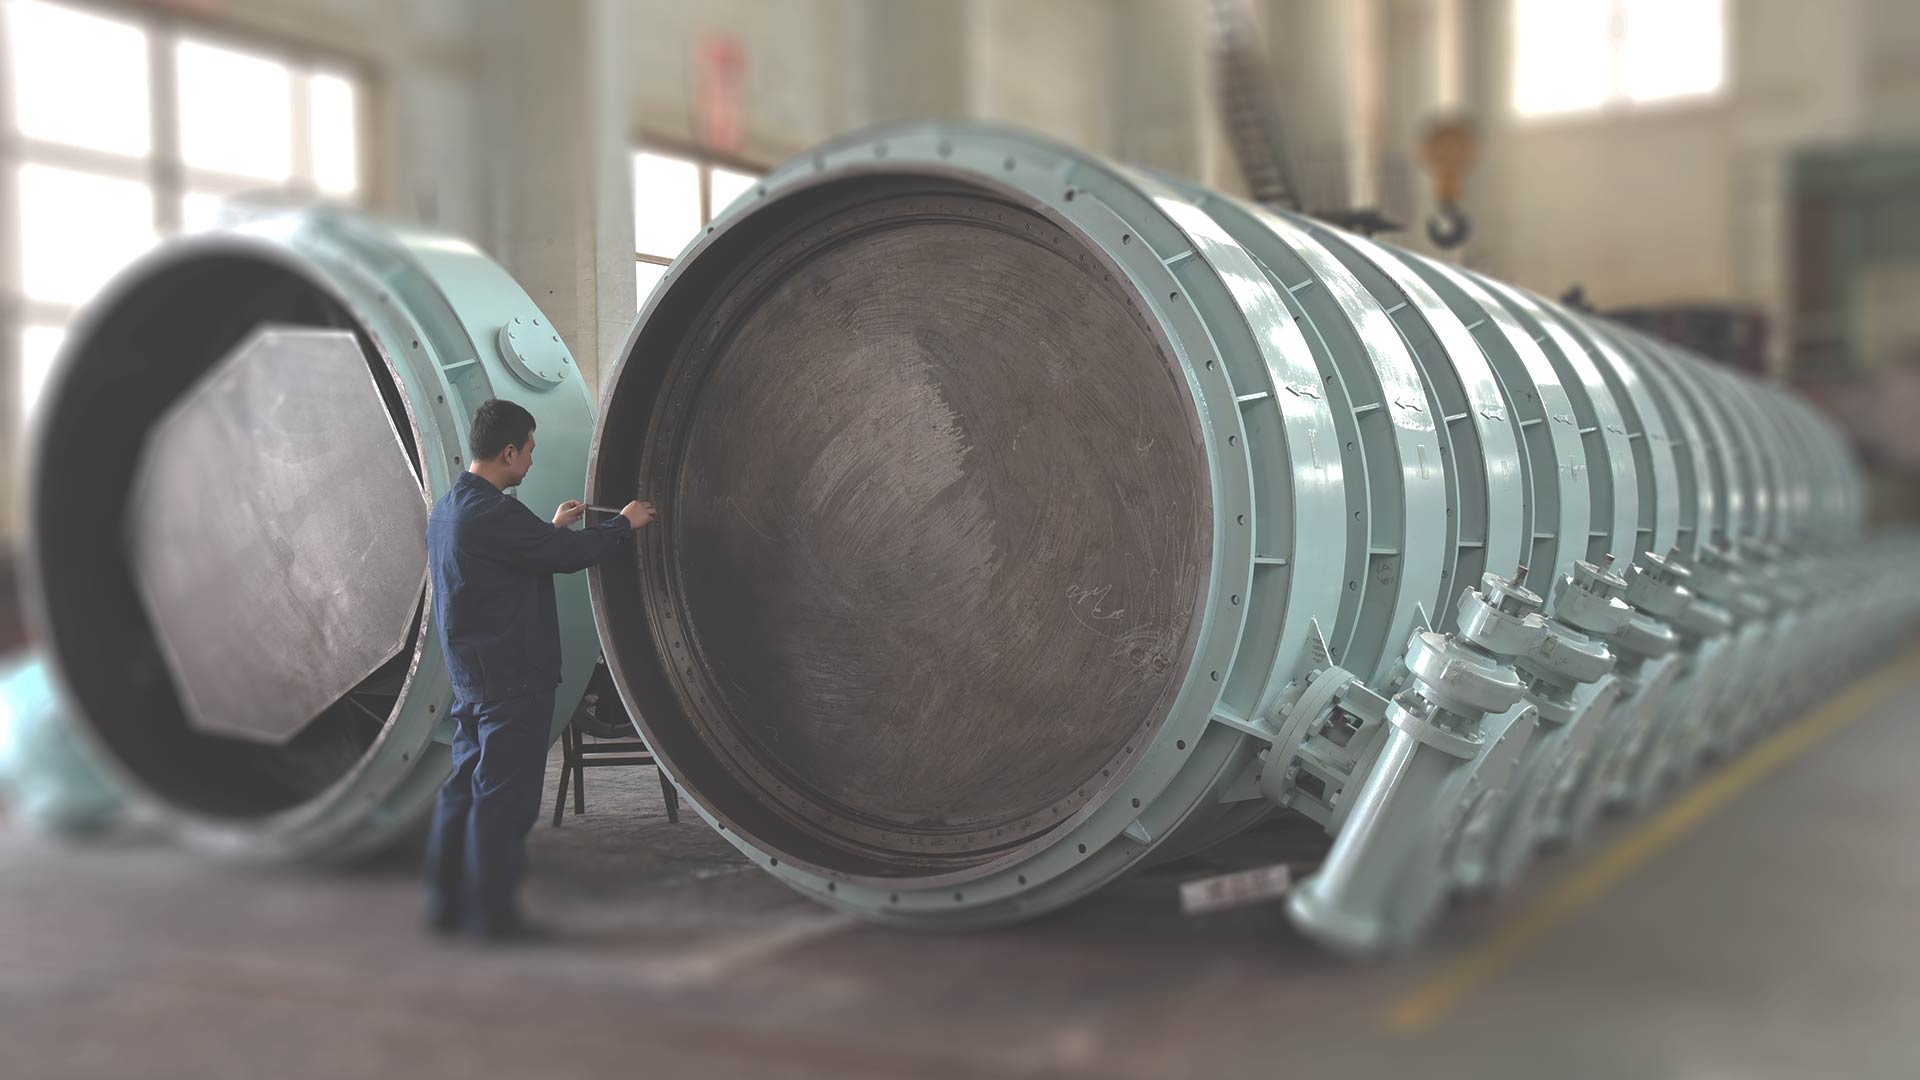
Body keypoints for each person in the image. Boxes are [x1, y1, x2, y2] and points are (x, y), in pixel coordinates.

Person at [422, 398, 654, 942]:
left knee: (464, 790)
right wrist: (623, 524)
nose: (530, 461)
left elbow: (513, 557)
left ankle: (445, 905)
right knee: (502, 801)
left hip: (473, 678)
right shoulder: (497, 515)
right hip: (513, 680)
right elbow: (564, 556)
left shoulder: (450, 507)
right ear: (508, 452)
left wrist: (551, 528)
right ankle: (492, 920)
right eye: (528, 451)